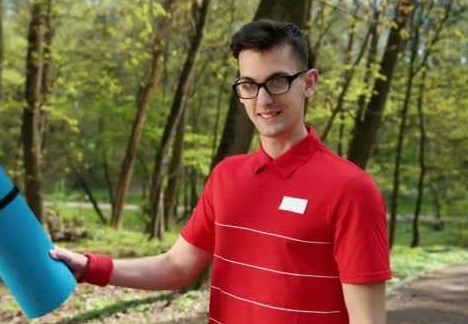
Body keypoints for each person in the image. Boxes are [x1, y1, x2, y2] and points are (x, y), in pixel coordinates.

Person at [50, 19, 391, 323]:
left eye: (277, 81)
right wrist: (89, 267)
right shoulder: (227, 176)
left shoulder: (350, 188)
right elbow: (177, 267)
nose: (263, 100)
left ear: (310, 82)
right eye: (248, 85)